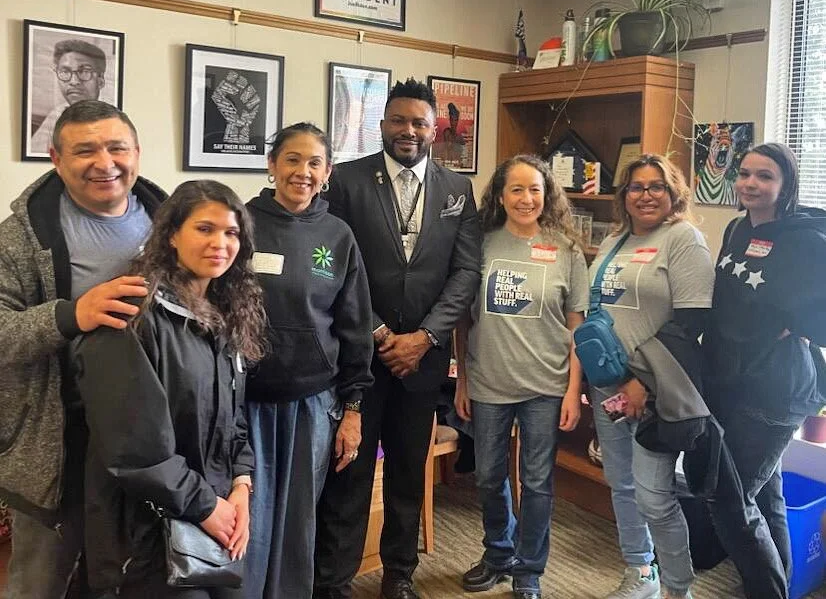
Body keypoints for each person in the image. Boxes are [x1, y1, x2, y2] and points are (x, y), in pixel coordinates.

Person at [313, 77, 482, 599]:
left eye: (419, 123)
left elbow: (466, 271)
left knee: (410, 472)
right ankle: (334, 580)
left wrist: (426, 337)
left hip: (422, 362)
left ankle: (399, 575)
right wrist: (381, 332)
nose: (408, 131)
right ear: (382, 124)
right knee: (351, 474)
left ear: (435, 130)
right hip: (361, 355)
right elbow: (336, 266)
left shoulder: (457, 189)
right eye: (399, 121)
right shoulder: (344, 181)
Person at [0, 99, 165, 598]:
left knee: (133, 579)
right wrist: (71, 315)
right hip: (58, 440)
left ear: (137, 151)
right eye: (84, 150)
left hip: (152, 442)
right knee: (41, 583)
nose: (104, 162)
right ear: (55, 158)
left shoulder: (173, 225)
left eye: (117, 147)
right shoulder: (19, 239)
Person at [73, 179, 267, 597]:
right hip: (146, 535)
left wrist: (241, 488)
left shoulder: (224, 314)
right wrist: (207, 506)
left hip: (213, 515)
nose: (220, 243)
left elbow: (234, 420)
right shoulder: (131, 315)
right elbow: (135, 449)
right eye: (204, 229)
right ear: (172, 235)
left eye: (231, 232)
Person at [243, 122, 374, 599]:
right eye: (292, 159)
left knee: (300, 519)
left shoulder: (337, 235)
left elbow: (354, 327)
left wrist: (353, 409)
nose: (303, 172)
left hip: (313, 403)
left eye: (314, 162)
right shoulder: (240, 224)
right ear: (272, 164)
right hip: (246, 402)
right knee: (248, 518)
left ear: (328, 172)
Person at [453, 155, 588, 599]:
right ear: (500, 195)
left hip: (546, 387)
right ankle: (498, 552)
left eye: (535, 189)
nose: (526, 198)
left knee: (536, 482)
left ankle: (529, 569)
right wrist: (463, 382)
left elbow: (576, 328)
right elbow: (463, 321)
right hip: (489, 382)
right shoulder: (481, 244)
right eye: (516, 189)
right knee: (488, 476)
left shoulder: (566, 250)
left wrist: (573, 390)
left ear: (546, 194)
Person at [587, 154, 714, 599]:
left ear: (672, 192)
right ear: (624, 196)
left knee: (655, 497)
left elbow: (691, 322)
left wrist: (641, 382)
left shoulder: (683, 238)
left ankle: (678, 589)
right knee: (620, 484)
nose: (646, 195)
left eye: (656, 186)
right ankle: (640, 571)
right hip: (609, 386)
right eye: (636, 187)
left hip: (654, 390)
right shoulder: (614, 241)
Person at [703, 143, 826, 599]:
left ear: (785, 185)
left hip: (776, 390)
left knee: (729, 498)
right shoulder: (736, 229)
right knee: (766, 493)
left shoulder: (804, 239)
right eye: (746, 174)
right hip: (733, 380)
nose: (752, 184)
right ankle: (778, 585)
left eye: (765, 176)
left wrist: (794, 326)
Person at [31, 39, 107, 153]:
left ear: (101, 80)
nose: (74, 81)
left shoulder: (113, 118)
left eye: (84, 71)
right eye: (65, 72)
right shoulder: (57, 115)